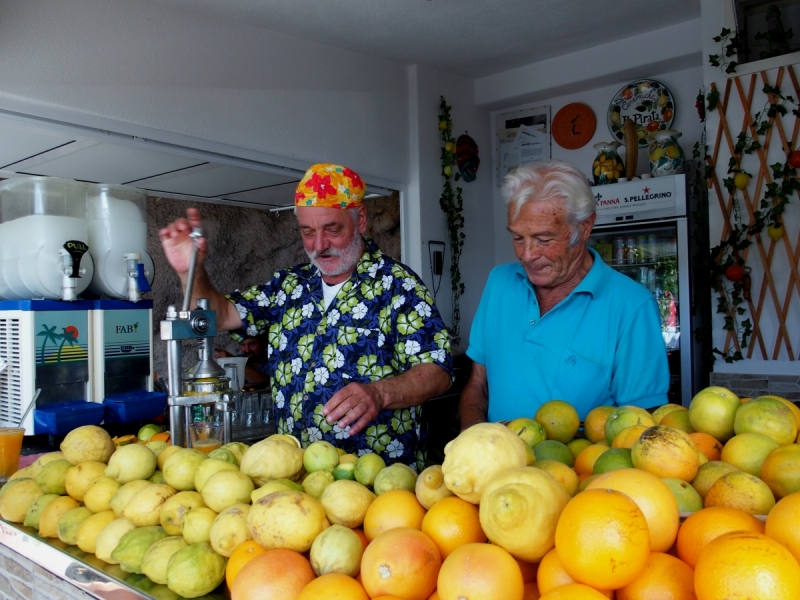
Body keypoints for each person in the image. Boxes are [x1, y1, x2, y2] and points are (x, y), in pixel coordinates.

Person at [160, 163, 452, 469]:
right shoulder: (290, 286)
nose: (319, 245)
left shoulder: (398, 285)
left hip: (381, 486)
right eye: (308, 232)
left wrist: (379, 393)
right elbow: (219, 316)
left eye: (332, 229)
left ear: (360, 219)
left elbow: (438, 370)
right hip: (300, 478)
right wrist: (189, 271)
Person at [459, 160, 668, 429]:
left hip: (579, 470)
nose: (527, 255)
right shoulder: (499, 283)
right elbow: (478, 383)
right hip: (499, 467)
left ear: (584, 227)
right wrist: (473, 438)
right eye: (518, 238)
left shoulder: (632, 306)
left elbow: (641, 425)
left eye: (544, 239)